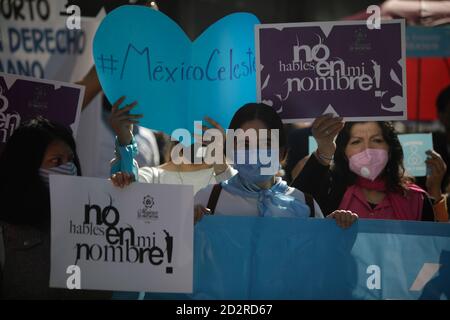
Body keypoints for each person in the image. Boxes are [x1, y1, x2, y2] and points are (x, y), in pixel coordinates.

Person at [194, 103, 358, 229]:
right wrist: (189, 224)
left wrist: (335, 229)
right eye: (245, 144)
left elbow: (317, 259)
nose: (254, 152)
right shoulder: (207, 200)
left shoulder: (305, 204)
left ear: (282, 153)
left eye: (265, 144)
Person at [0, 117, 107, 299]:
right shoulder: (5, 233)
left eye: (71, 159)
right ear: (27, 168)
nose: (69, 167)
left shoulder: (92, 221)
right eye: (56, 161)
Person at [292, 115, 441, 221]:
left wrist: (435, 190)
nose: (368, 150)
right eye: (356, 142)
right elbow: (295, 207)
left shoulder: (417, 199)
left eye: (377, 140)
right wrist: (323, 151)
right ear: (344, 152)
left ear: (390, 149)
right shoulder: (330, 189)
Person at [108, 98, 236, 194]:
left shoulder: (233, 178)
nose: (197, 134)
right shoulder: (153, 178)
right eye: (189, 127)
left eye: (205, 128)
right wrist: (125, 140)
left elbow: (235, 202)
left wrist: (221, 164)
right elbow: (126, 195)